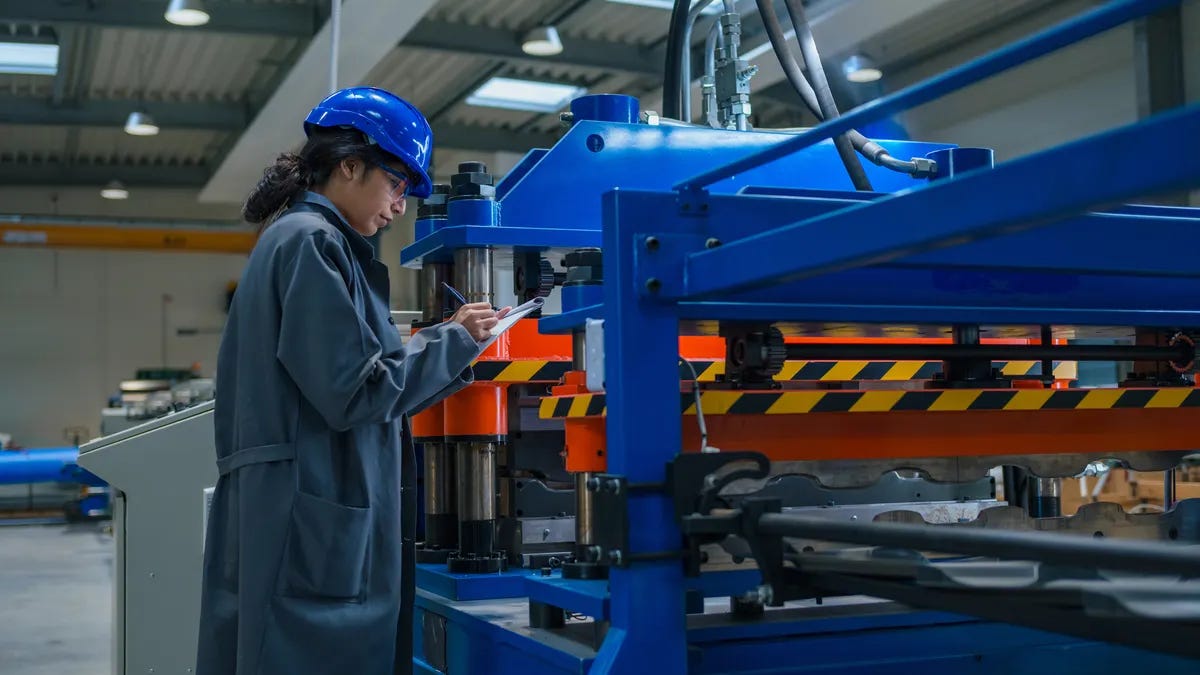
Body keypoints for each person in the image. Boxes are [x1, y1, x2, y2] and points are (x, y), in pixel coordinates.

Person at [195, 87, 507, 675]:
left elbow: (360, 384)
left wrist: (449, 354)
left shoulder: (304, 242)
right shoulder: (313, 243)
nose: (399, 207)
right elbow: (356, 389)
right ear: (349, 165)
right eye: (396, 185)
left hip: (296, 512)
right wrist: (453, 340)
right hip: (308, 522)